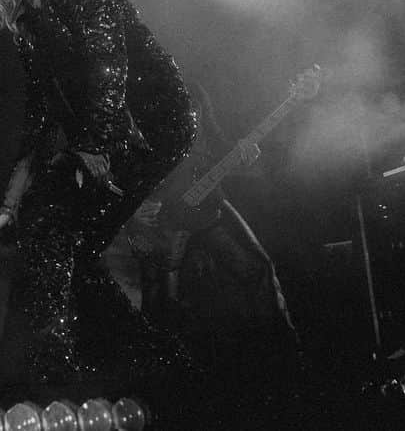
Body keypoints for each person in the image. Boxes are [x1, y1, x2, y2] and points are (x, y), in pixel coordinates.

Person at [0, 0, 197, 385]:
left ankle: (56, 371)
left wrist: (96, 145)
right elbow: (40, 114)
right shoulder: (29, 20)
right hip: (108, 130)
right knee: (62, 242)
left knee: (52, 230)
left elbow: (107, 66)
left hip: (155, 124)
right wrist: (8, 205)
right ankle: (155, 361)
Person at [124, 81, 299, 368]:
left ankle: (285, 357)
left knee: (257, 269)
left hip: (206, 205)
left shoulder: (193, 91)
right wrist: (133, 207)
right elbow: (128, 160)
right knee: (162, 303)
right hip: (162, 218)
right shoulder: (146, 98)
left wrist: (242, 152)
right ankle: (159, 372)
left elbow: (217, 143)